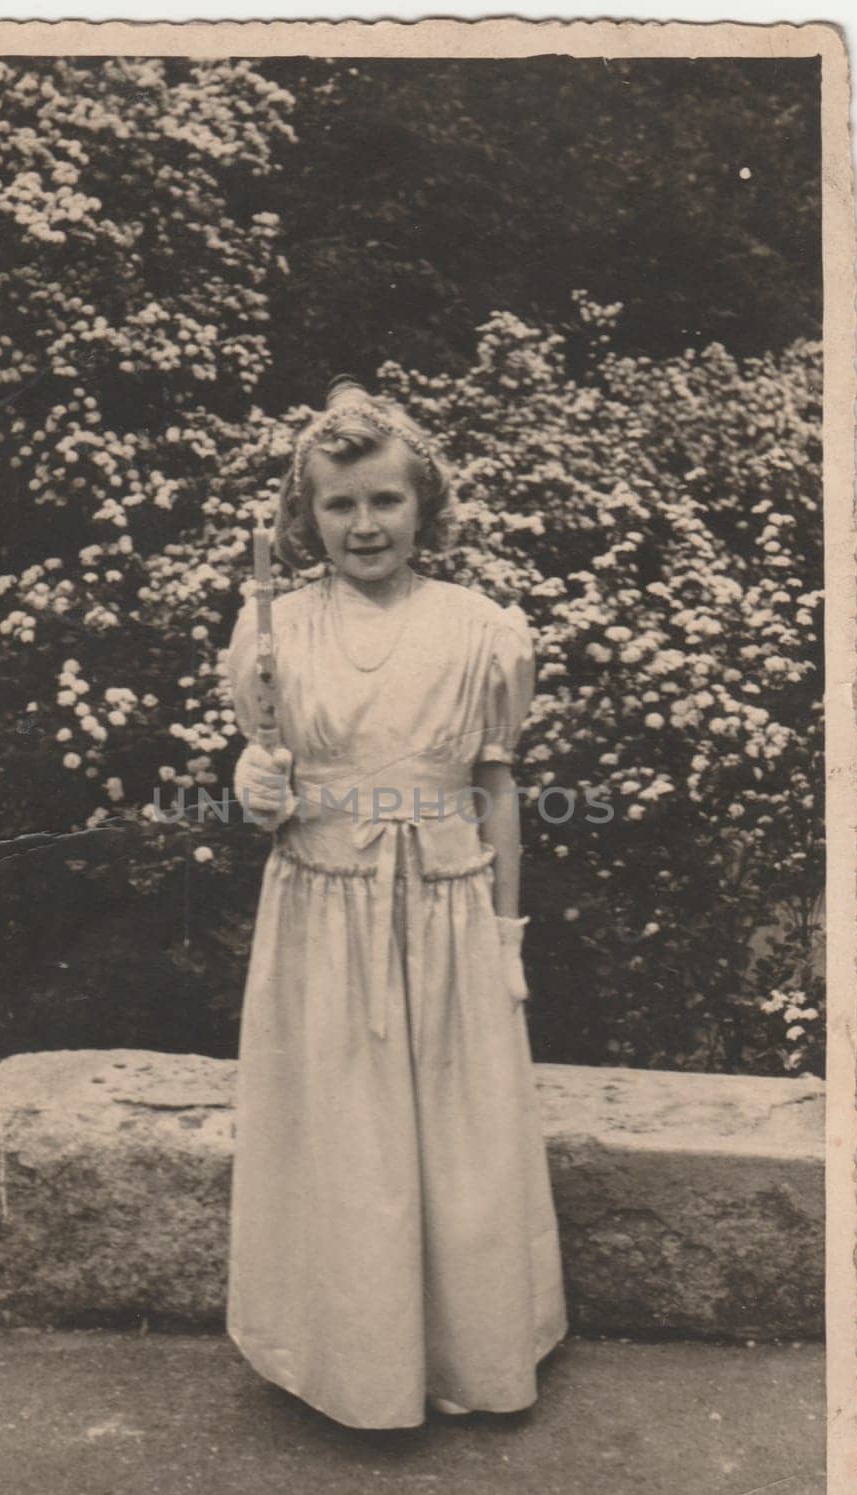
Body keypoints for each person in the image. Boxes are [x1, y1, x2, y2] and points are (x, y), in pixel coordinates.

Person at [224, 377, 567, 1429]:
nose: (362, 524)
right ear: (305, 515)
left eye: (383, 500)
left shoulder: (479, 630)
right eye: (338, 504)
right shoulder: (274, 629)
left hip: (447, 908)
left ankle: (472, 1354)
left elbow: (496, 786)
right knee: (344, 1139)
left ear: (424, 505)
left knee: (456, 1140)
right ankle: (348, 1365)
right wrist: (254, 780)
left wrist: (507, 935)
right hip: (322, 910)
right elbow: (263, 765)